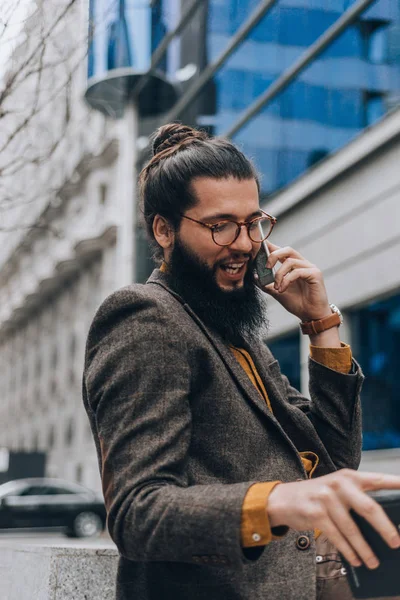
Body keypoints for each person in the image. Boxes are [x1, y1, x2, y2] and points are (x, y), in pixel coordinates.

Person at [82, 123, 400, 600]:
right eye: (220, 226)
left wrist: (320, 325)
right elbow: (136, 512)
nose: (247, 243)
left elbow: (335, 462)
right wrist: (277, 500)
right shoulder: (144, 317)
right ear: (163, 230)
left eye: (254, 222)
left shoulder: (231, 330)